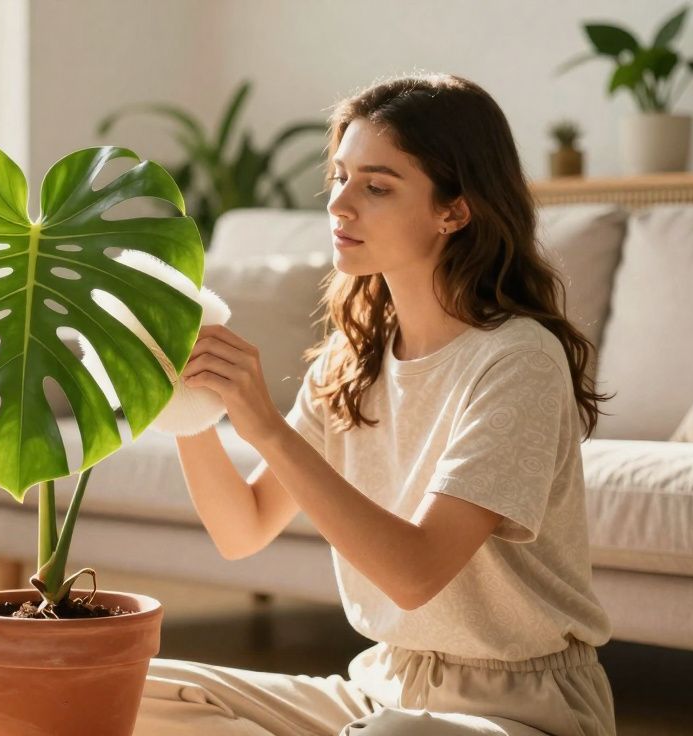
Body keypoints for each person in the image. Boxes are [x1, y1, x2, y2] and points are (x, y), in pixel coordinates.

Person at [136, 73, 616, 735]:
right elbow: (241, 530)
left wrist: (269, 429)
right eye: (338, 177)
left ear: (454, 210)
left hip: (520, 709)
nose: (339, 205)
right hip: (382, 690)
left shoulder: (517, 358)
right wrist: (188, 398)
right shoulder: (351, 360)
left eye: (377, 186)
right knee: (122, 688)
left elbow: (415, 574)